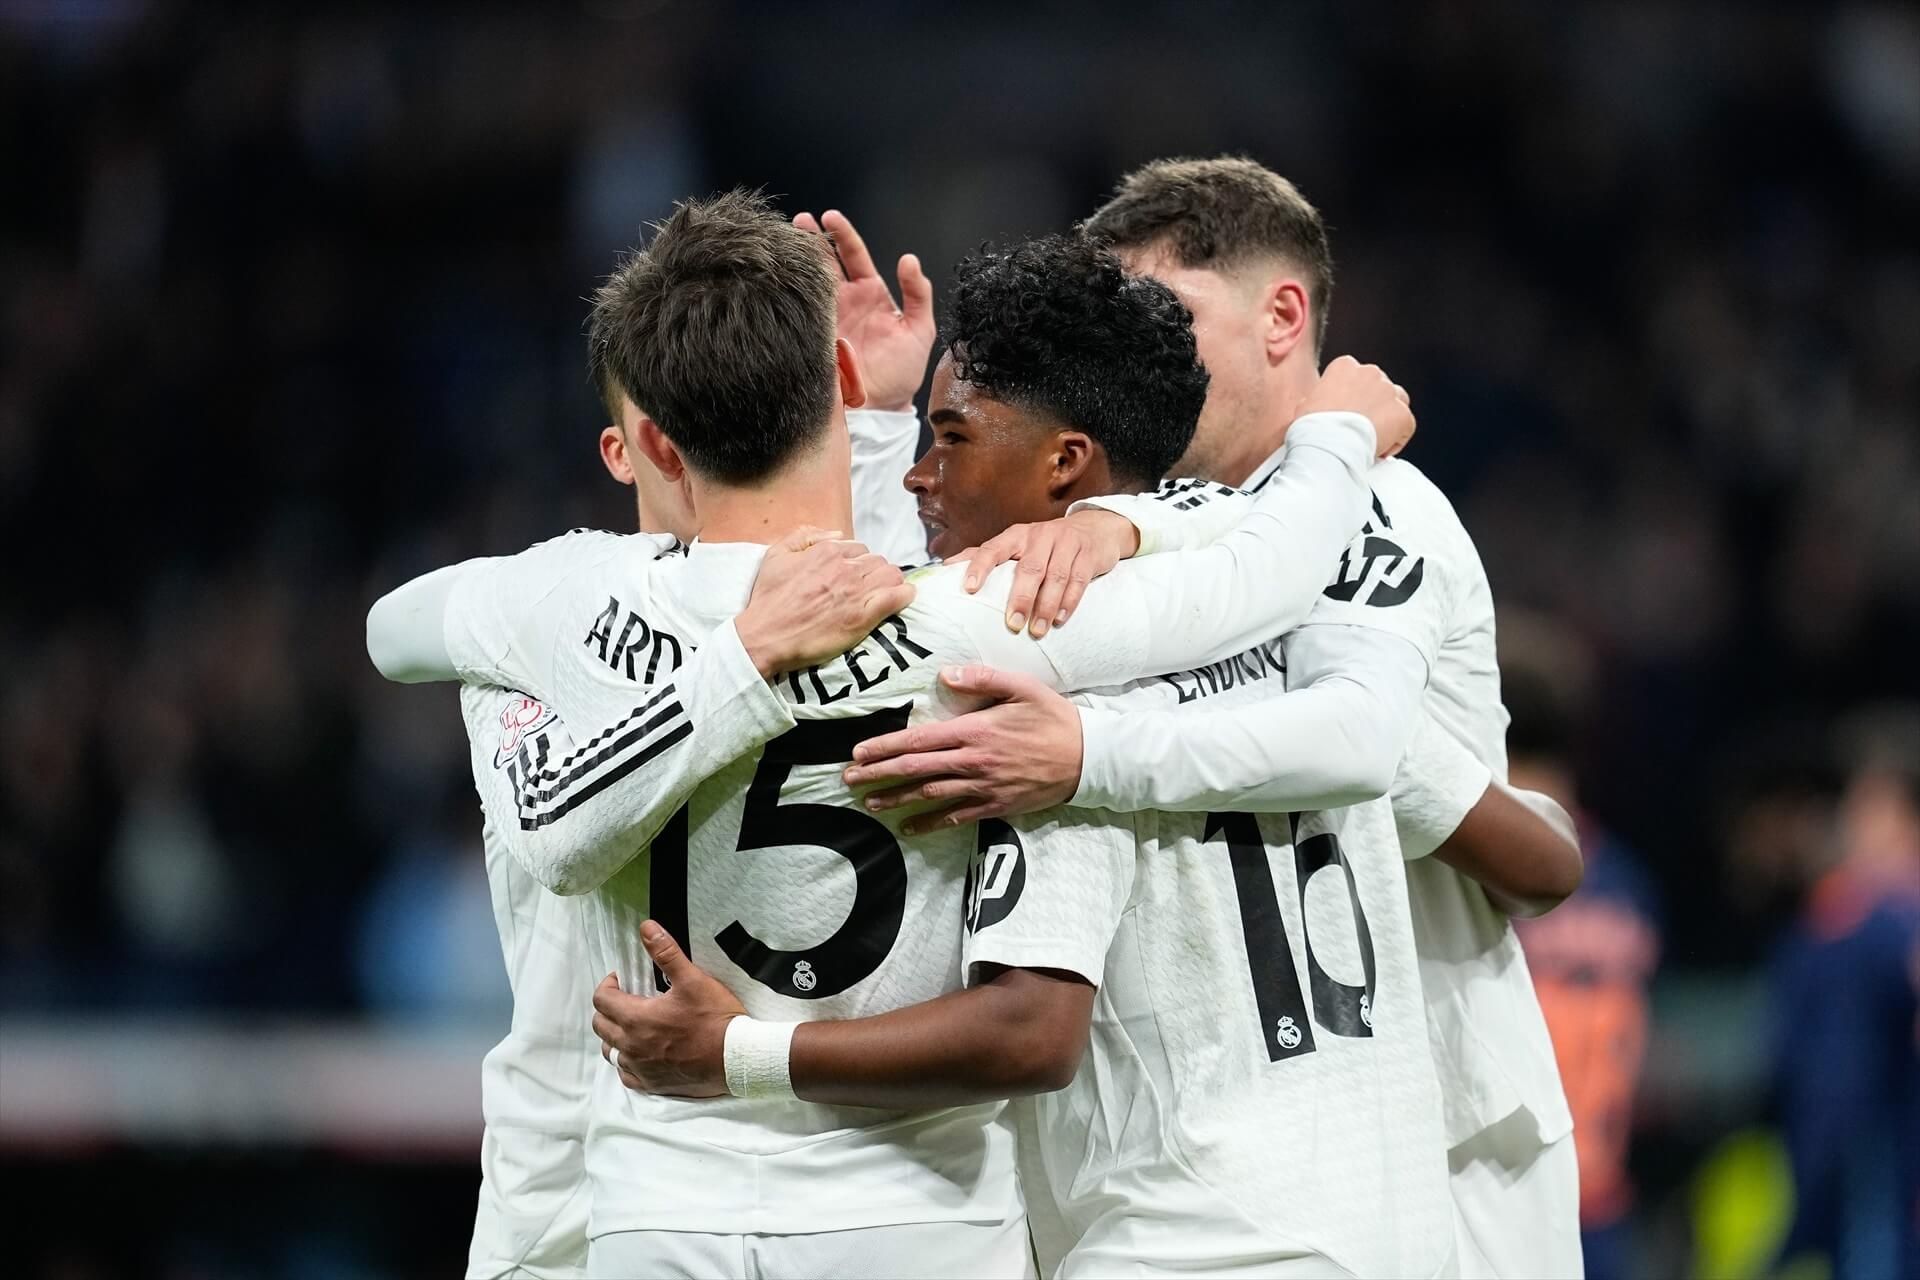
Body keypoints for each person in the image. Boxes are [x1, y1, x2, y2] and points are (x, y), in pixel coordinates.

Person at [368, 192, 1410, 1277]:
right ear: (846, 383)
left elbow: (393, 627)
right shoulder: (991, 614)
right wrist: (1324, 442)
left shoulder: (563, 602)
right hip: (916, 1209)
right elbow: (1267, 568)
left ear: (649, 443)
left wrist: (554, 652)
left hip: (656, 1202)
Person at [843, 157, 1585, 1278]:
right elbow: (925, 633)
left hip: (1440, 1120)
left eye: (1170, 314)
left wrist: (1092, 744)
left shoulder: (1377, 505)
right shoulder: (1155, 533)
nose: (1144, 351)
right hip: (1207, 1128)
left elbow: (1382, 758)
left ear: (1283, 316)